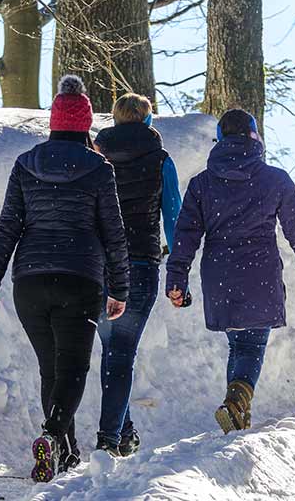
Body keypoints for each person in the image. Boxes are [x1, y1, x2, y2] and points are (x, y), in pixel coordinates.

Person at [0, 75, 129, 483]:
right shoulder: (99, 168)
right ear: (84, 125)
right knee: (74, 367)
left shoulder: (26, 163)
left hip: (30, 280)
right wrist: (120, 287)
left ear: (53, 122)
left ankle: (66, 451)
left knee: (52, 367)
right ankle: (51, 435)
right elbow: (112, 231)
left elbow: (8, 226)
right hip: (79, 278)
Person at [166, 108, 295, 435]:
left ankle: (238, 412)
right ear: (255, 137)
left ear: (221, 140)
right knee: (251, 345)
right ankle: (237, 402)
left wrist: (176, 277)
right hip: (259, 272)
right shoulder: (273, 178)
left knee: (238, 344)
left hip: (219, 274)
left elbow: (185, 235)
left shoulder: (202, 184)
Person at [92, 93, 182, 457]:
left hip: (98, 265)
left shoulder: (96, 155)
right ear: (147, 121)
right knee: (122, 352)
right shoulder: (160, 159)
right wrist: (179, 262)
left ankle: (122, 431)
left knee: (111, 350)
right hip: (140, 265)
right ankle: (109, 439)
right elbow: (173, 214)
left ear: (114, 120)